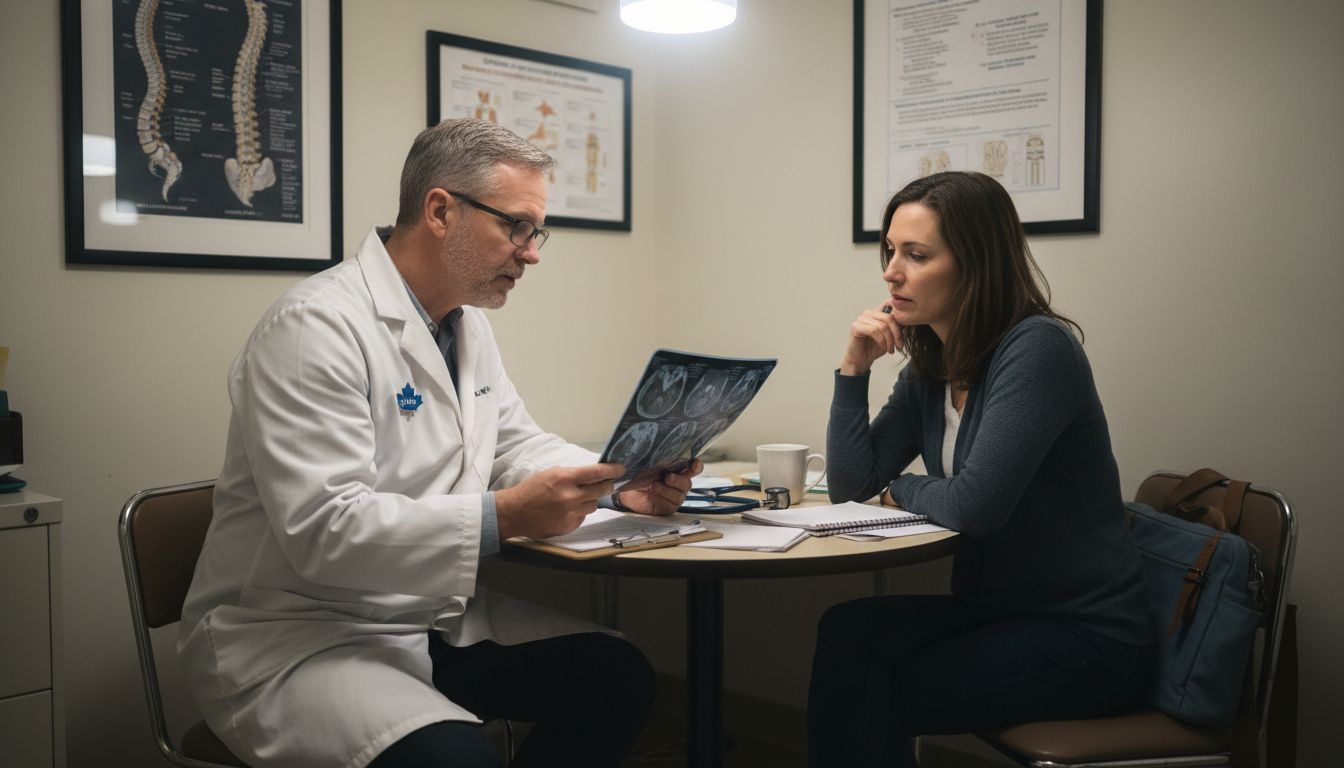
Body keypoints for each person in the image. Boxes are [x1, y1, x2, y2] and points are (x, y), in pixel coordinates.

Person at [179, 118, 700, 768]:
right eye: (516, 226)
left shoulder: (466, 329)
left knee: (619, 677)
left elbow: (516, 445)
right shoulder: (314, 329)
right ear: (439, 210)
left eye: (537, 232)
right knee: (457, 761)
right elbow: (323, 530)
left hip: (420, 622)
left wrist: (618, 480)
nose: (531, 252)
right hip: (298, 635)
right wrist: (502, 517)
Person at [809, 171, 1153, 767]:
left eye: (917, 255)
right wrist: (853, 370)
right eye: (890, 251)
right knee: (847, 632)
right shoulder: (933, 362)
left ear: (976, 264)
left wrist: (905, 488)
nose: (892, 271)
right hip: (998, 613)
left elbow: (976, 508)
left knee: (874, 688)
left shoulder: (1038, 349)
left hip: (1090, 636)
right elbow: (853, 487)